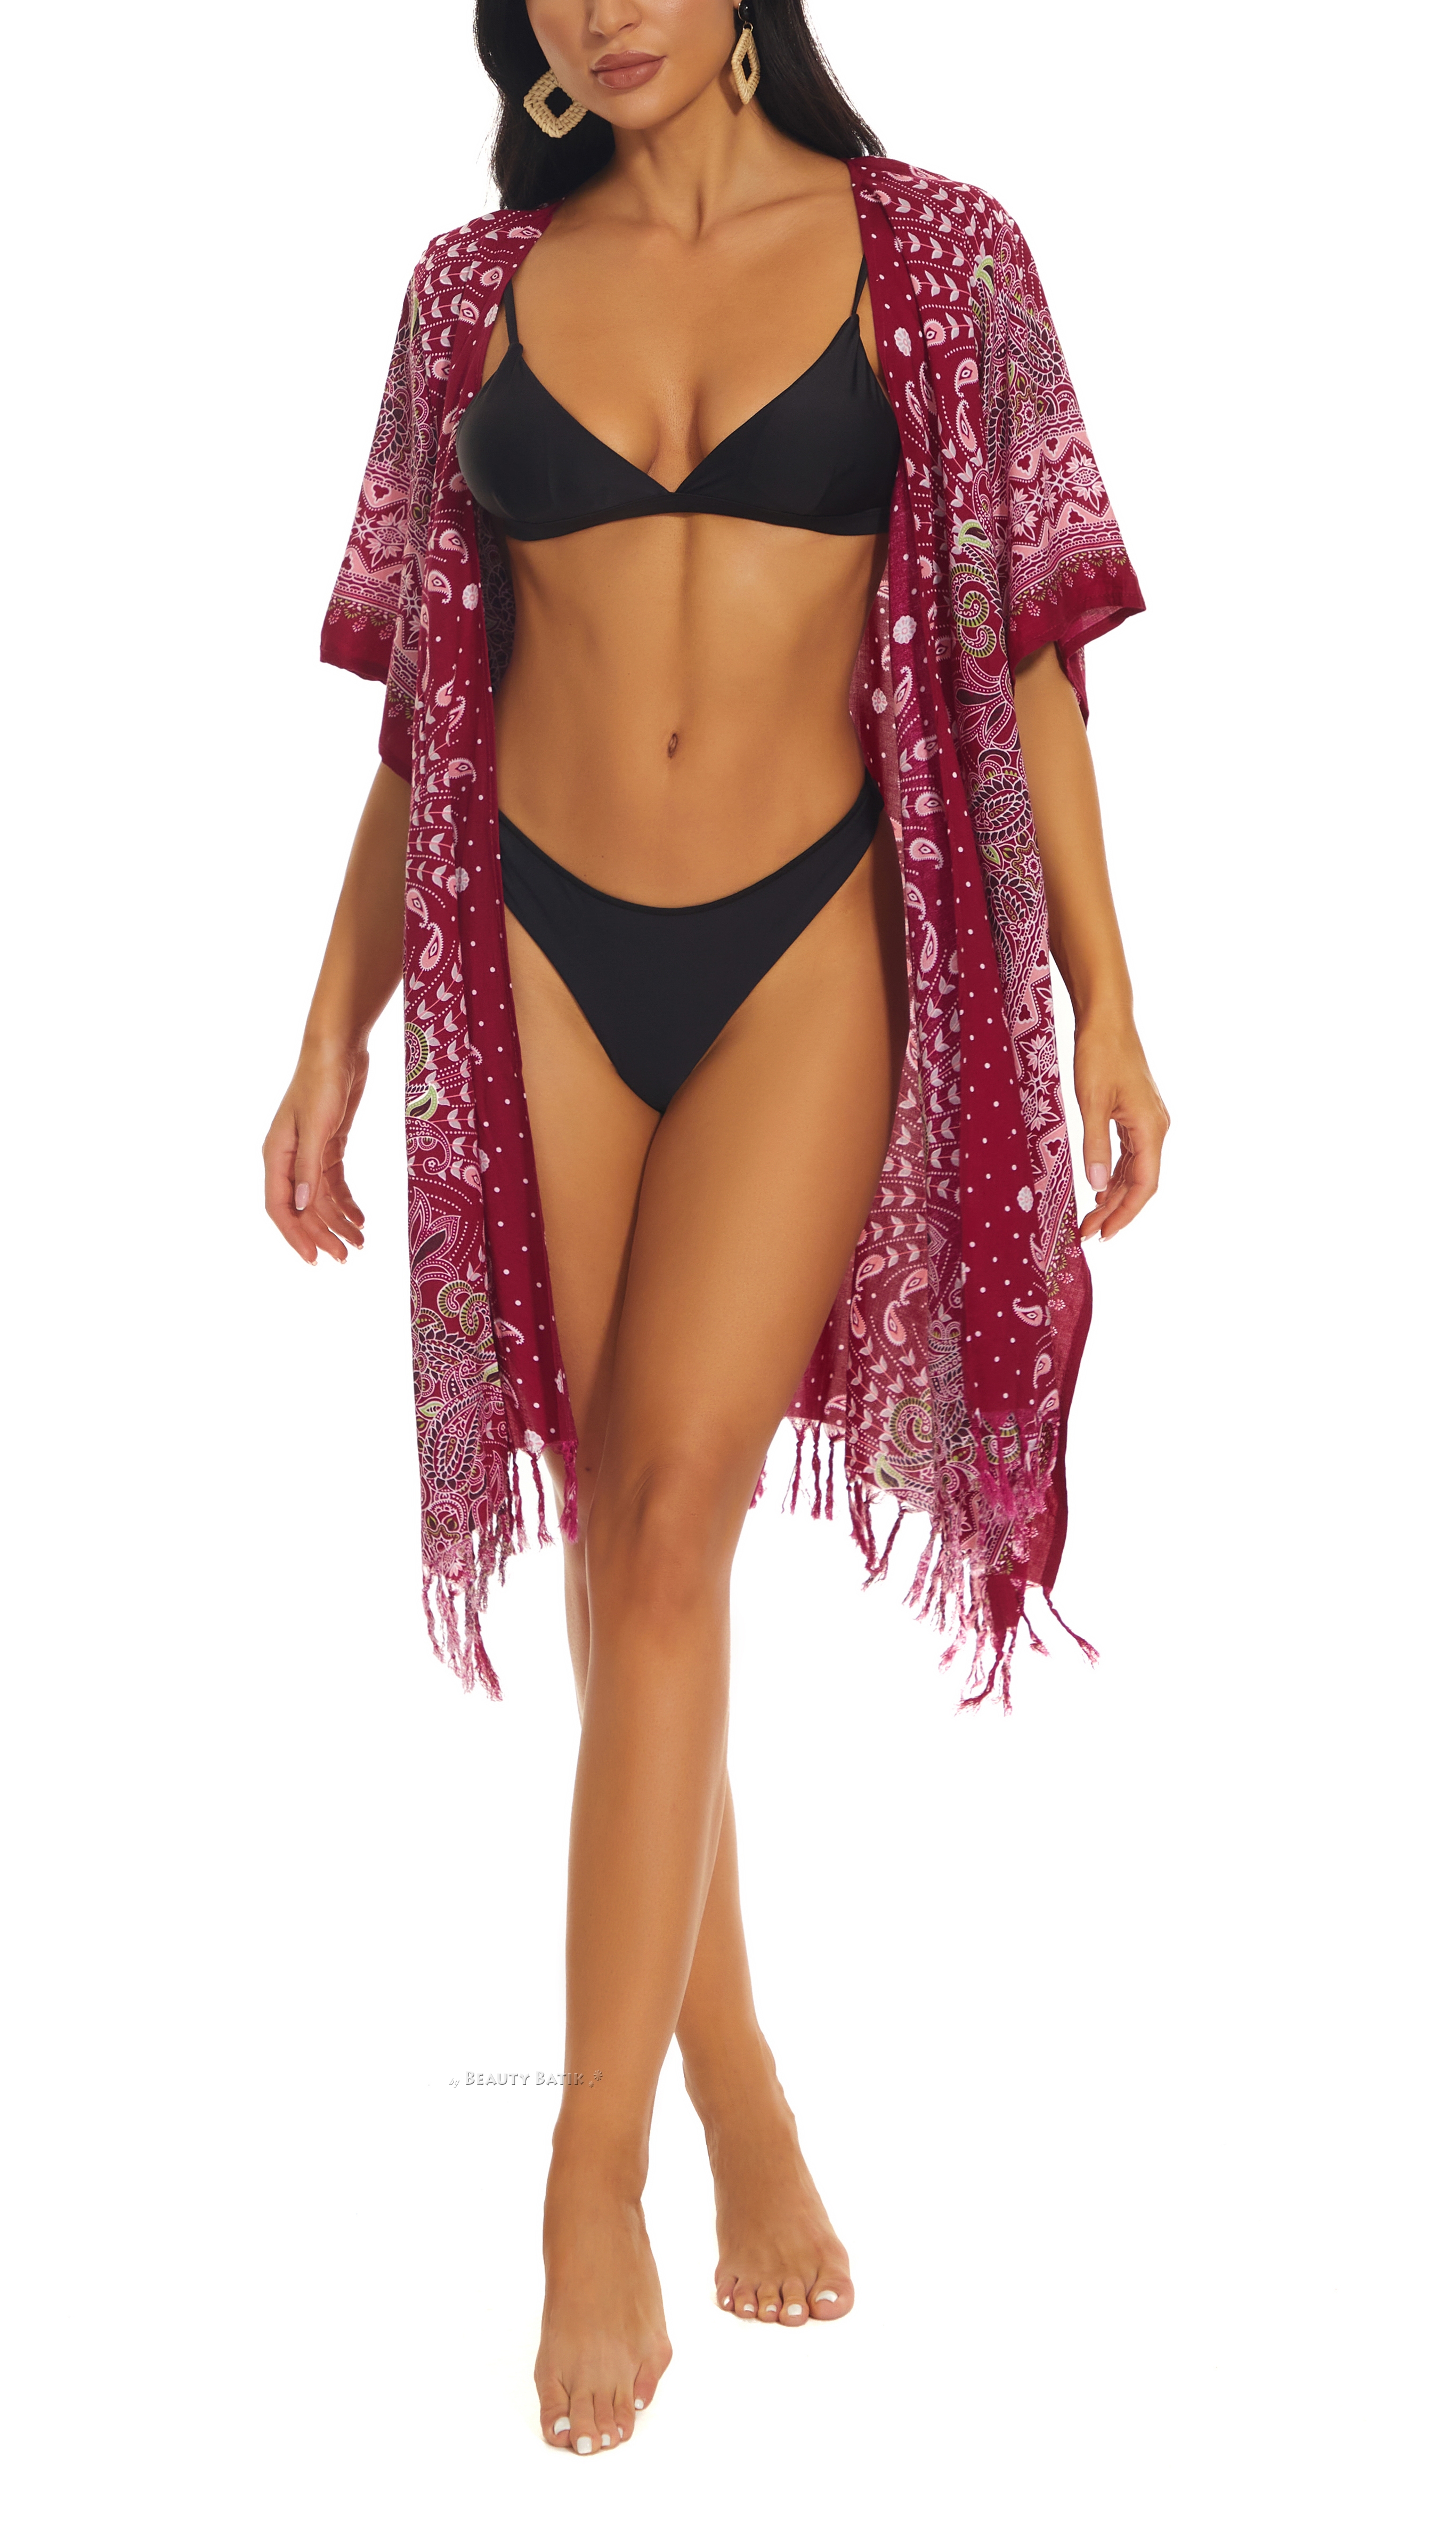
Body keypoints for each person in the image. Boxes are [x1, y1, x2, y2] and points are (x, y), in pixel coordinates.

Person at [262, 0, 1167, 2458]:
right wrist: (329, 1027)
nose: (603, 5)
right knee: (621, 1542)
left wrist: (1102, 993)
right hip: (531, 942)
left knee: (669, 1512)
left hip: (803, 943)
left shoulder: (937, 262)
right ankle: (736, 2067)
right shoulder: (467, 293)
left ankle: (591, 2176)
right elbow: (426, 704)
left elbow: (1025, 649)